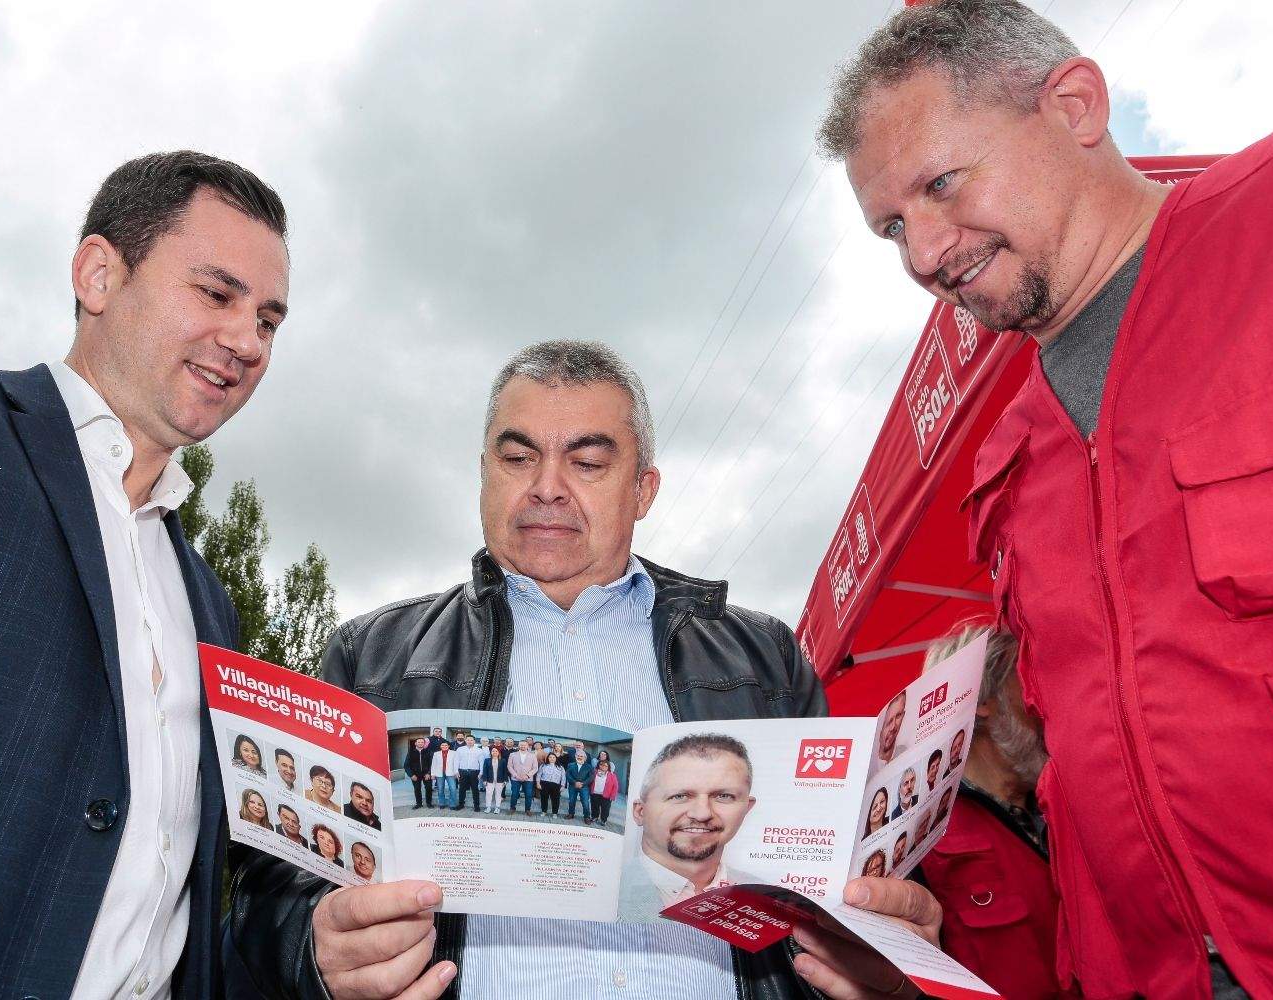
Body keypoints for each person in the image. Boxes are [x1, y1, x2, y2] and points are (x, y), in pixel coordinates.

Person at [820, 0, 1273, 994]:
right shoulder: (1008, 467)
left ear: (1075, 104)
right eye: (892, 227)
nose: (923, 256)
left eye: (941, 184)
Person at [229, 341, 938, 1000]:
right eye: (517, 458)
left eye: (588, 463)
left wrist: (887, 949)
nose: (546, 487)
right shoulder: (373, 657)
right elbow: (270, 886)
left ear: (644, 490)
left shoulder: (765, 657)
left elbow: (856, 878)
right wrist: (312, 953)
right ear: (483, 472)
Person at [0, 149, 291, 998]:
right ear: (98, 273)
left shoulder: (211, 606)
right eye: (217, 294)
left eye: (269, 319)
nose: (246, 340)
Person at [915, 625, 1071, 1000]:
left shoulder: (1067, 807)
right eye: (1029, 682)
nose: (1042, 703)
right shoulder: (922, 836)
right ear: (982, 700)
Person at [617, 733, 763, 919]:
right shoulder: (602, 889)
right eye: (679, 796)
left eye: (724, 796)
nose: (702, 814)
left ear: (746, 808)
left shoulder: (771, 900)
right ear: (640, 811)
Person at [507, 738, 540, 815]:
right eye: (521, 745)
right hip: (515, 778)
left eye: (524, 745)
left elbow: (535, 768)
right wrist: (515, 775)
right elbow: (509, 766)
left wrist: (528, 776)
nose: (523, 746)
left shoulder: (532, 755)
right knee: (514, 794)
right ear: (518, 746)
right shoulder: (512, 755)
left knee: (528, 795)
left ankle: (527, 810)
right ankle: (512, 808)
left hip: (528, 779)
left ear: (527, 746)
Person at [874, 691, 908, 766]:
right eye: (889, 722)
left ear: (903, 715)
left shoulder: (905, 753)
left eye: (898, 716)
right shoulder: (870, 765)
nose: (893, 727)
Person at [403, 736, 435, 809]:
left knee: (429, 788)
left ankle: (429, 803)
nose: (420, 743)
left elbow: (431, 764)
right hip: (415, 775)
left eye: (422, 742)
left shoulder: (428, 752)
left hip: (426, 774)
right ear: (415, 743)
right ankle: (419, 804)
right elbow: (406, 765)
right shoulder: (411, 752)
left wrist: (429, 773)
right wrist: (411, 775)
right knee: (417, 789)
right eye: (419, 742)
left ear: (424, 744)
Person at [564, 748, 595, 822]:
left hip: (584, 786)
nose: (579, 757)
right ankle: (571, 814)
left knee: (585, 802)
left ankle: (586, 817)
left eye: (581, 756)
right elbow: (568, 775)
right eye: (578, 755)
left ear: (585, 757)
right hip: (572, 785)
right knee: (571, 801)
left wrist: (583, 783)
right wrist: (575, 782)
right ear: (575, 756)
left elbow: (591, 777)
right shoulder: (570, 765)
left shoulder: (589, 766)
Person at [454, 733, 483, 811]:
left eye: (471, 740)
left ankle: (476, 806)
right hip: (462, 772)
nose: (469, 741)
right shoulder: (460, 749)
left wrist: (481, 773)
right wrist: (456, 771)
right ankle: (461, 804)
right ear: (465, 740)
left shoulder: (479, 750)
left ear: (474, 741)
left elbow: (481, 762)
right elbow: (456, 760)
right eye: (468, 740)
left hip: (474, 772)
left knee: (475, 790)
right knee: (462, 789)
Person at [590, 758, 621, 827]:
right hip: (595, 793)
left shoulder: (612, 775)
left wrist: (613, 796)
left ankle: (603, 820)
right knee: (594, 807)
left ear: (608, 767)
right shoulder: (594, 772)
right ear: (599, 765)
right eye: (601, 765)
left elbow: (615, 786)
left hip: (606, 796)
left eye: (606, 765)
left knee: (605, 809)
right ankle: (594, 817)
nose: (603, 766)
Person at [430, 735, 458, 809]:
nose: (444, 746)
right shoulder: (436, 754)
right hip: (439, 773)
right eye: (442, 745)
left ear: (448, 746)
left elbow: (456, 763)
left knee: (453, 789)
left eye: (446, 745)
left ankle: (452, 804)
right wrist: (432, 774)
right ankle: (442, 803)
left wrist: (456, 772)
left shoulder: (454, 753)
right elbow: (433, 764)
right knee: (440, 789)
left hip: (451, 773)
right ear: (440, 746)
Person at [481, 744, 510, 814]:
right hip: (489, 780)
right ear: (491, 752)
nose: (494, 752)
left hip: (500, 781)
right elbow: (484, 771)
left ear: (498, 753)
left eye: (496, 751)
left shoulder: (503, 760)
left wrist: (505, 780)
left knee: (498, 794)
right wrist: (484, 780)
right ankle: (488, 807)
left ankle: (497, 807)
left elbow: (505, 771)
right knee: (488, 794)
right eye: (493, 751)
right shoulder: (487, 760)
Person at [537, 751, 567, 816]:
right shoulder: (543, 765)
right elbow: (539, 775)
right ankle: (544, 811)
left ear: (556, 758)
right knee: (544, 798)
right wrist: (538, 783)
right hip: (544, 784)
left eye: (553, 757)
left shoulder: (560, 767)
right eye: (550, 757)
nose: (552, 758)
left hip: (556, 785)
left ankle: (555, 813)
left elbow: (563, 777)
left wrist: (563, 786)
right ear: (548, 758)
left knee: (555, 800)